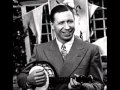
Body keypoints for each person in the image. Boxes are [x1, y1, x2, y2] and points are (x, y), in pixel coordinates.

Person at [17, 4, 104, 90]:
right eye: (61, 23)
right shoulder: (40, 50)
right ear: (52, 26)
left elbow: (99, 84)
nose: (67, 27)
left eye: (70, 21)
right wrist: (29, 80)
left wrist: (82, 87)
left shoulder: (91, 50)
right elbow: (21, 76)